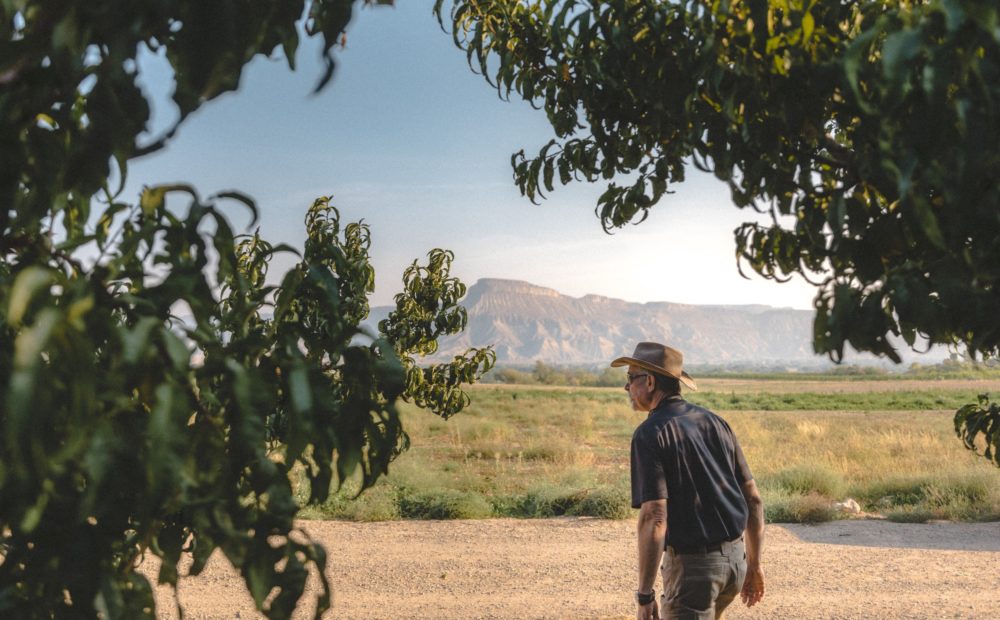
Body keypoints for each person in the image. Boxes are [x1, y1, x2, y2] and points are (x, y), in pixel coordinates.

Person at [610, 342, 765, 620]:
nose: (626, 388)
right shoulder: (716, 422)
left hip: (695, 572)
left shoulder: (650, 433)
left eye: (630, 378)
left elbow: (655, 517)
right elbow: (753, 498)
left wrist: (645, 596)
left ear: (649, 381)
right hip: (735, 563)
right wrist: (754, 565)